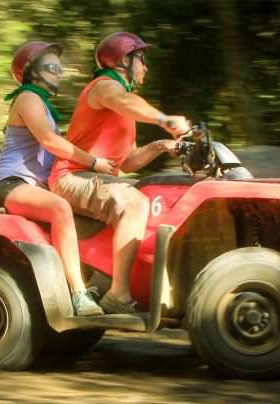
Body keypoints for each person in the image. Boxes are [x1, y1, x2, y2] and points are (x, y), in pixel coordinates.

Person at [48, 32, 191, 314]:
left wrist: (161, 146)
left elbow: (127, 163)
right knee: (135, 201)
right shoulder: (103, 87)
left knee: (152, 194)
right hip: (72, 176)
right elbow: (125, 102)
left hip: (99, 177)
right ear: (124, 60)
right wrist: (164, 120)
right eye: (142, 60)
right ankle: (118, 294)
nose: (146, 68)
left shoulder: (123, 106)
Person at [0, 40, 117, 317]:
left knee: (100, 214)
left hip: (37, 186)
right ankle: (79, 294)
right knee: (61, 208)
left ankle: (99, 285)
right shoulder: (27, 99)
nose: (58, 73)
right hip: (14, 183)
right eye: (51, 68)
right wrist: (94, 162)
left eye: (59, 69)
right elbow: (50, 142)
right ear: (31, 72)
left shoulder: (43, 106)